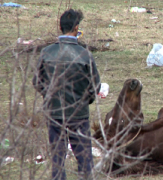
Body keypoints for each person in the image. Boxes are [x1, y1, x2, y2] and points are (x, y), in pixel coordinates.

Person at [33, 9, 100, 180]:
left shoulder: (46, 52)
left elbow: (36, 81)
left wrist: (49, 97)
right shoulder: (85, 55)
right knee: (84, 162)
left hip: (54, 114)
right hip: (78, 115)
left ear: (60, 26)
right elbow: (95, 86)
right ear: (76, 28)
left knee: (57, 161)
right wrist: (85, 101)